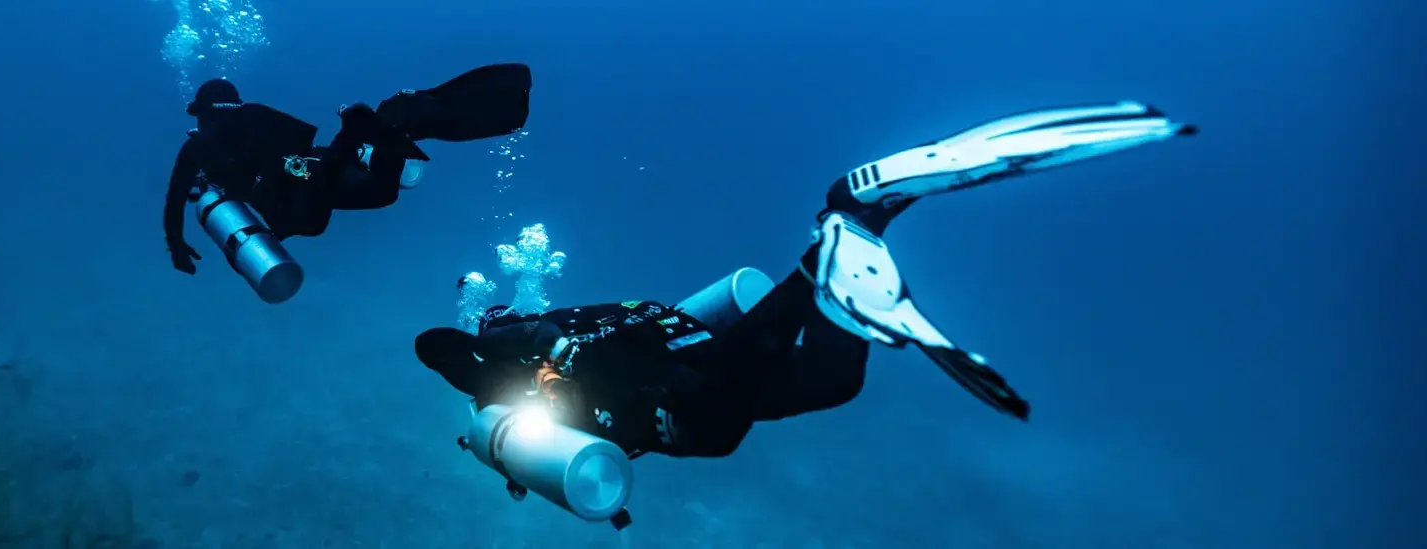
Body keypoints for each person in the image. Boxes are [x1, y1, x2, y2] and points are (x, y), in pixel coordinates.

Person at [416, 101, 1198, 458]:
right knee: (825, 381)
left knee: (720, 417)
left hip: (667, 388)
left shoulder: (492, 374)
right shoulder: (526, 329)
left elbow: (449, 356)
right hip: (677, 332)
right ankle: (851, 233)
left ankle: (829, 250)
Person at [165, 64, 533, 275]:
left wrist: (177, 247)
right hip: (316, 165)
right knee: (382, 191)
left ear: (202, 112)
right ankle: (392, 121)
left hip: (297, 199)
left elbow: (174, 199)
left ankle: (357, 134)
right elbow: (295, 144)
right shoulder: (253, 118)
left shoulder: (196, 148)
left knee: (317, 215)